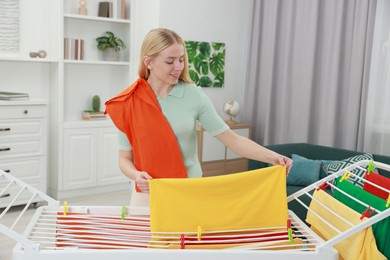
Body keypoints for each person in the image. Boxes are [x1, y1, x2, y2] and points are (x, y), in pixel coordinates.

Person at [105, 28, 293, 206]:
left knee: (188, 240)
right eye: (170, 61)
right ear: (148, 62)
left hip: (189, 188)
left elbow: (233, 140)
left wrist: (274, 157)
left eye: (181, 59)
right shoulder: (129, 102)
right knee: (145, 241)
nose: (178, 67)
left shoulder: (193, 96)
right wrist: (136, 175)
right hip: (147, 194)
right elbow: (124, 159)